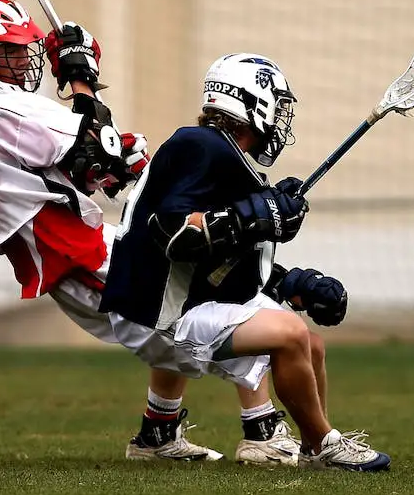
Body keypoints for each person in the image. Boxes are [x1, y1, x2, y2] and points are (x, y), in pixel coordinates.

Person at [0, 0, 299, 464]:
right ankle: (263, 431)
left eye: (24, 48)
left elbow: (85, 166)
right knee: (199, 317)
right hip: (70, 251)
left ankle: (158, 435)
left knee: (177, 288)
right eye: (8, 51)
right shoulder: (2, 110)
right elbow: (97, 145)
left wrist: (116, 156)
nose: (23, 60)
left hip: (70, 239)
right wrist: (81, 79)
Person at [100, 52, 392, 471]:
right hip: (156, 313)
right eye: (279, 105)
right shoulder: (199, 145)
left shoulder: (224, 159)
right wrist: (255, 215)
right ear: (252, 102)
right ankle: (320, 444)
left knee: (309, 344)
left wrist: (292, 283)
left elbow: (227, 263)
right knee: (289, 335)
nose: (281, 119)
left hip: (179, 301)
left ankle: (287, 444)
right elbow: (173, 233)